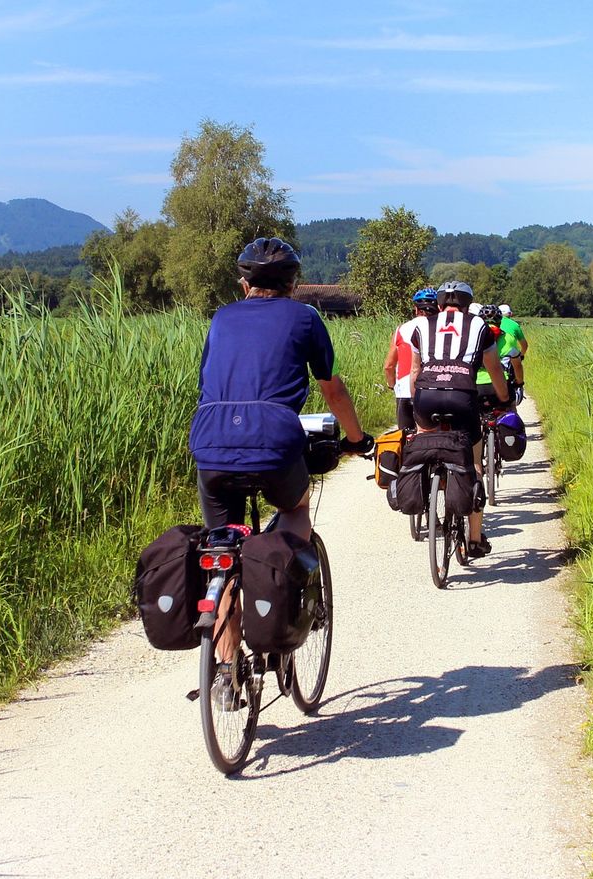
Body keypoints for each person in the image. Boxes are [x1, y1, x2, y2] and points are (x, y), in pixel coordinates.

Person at [190, 237, 373, 688]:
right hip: (274, 442)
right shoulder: (305, 317)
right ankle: (285, 608)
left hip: (210, 444)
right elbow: (332, 389)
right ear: (293, 283)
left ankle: (227, 673)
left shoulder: (221, 318)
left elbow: (209, 384)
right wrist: (357, 439)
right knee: (294, 507)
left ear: (244, 282)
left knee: (221, 546)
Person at [409, 281, 510, 557]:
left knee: (426, 444)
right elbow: (495, 371)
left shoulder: (422, 325)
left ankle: (431, 490)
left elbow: (414, 373)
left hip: (426, 397)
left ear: (440, 305)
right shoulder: (479, 326)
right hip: (462, 397)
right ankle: (475, 539)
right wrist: (504, 398)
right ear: (467, 305)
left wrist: (416, 406)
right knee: (474, 461)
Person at [383, 287, 437, 431]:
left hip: (405, 391)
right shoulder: (441, 329)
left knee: (404, 437)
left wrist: (392, 385)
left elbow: (389, 366)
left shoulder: (401, 329)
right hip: (433, 391)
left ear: (415, 309)